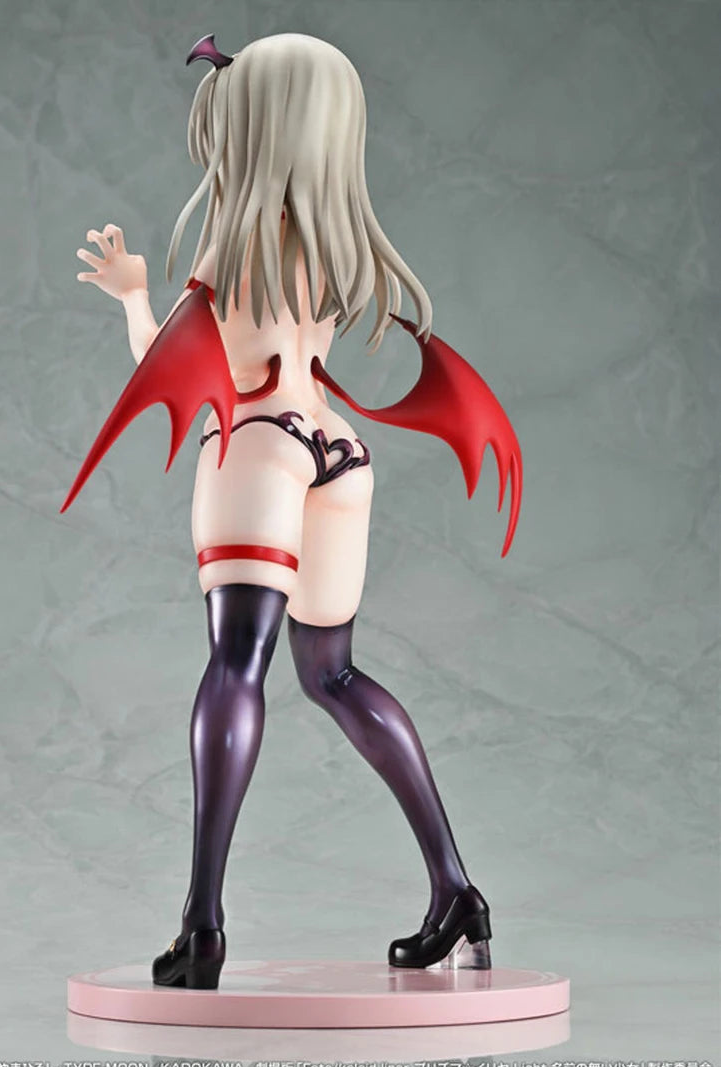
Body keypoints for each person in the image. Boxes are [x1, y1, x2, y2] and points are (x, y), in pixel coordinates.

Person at [67, 32, 521, 990]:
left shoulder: (235, 238)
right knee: (334, 674)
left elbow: (178, 363)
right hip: (339, 451)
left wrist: (133, 298)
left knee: (237, 665)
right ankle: (456, 891)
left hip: (262, 446)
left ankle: (201, 927)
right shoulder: (331, 240)